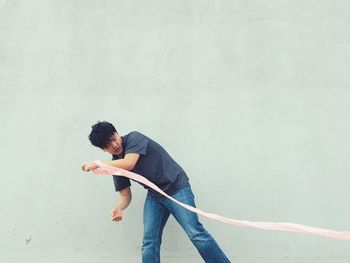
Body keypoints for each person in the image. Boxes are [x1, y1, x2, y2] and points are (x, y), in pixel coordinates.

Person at [82, 121, 231, 263]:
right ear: (104, 149)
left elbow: (129, 163)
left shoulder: (134, 138)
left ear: (117, 133)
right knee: (149, 242)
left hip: (177, 188)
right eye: (108, 145)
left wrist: (97, 164)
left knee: (196, 233)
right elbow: (125, 196)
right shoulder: (114, 165)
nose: (114, 145)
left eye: (114, 138)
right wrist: (119, 208)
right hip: (155, 196)